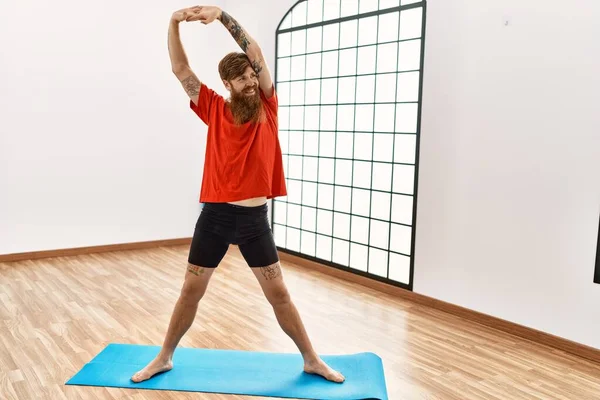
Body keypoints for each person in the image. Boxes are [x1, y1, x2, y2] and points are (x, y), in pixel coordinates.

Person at [130, 5, 345, 384]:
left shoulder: (268, 105)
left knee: (279, 295)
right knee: (190, 291)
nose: (250, 81)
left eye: (251, 75)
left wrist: (223, 16)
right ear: (227, 84)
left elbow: (257, 53)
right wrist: (173, 23)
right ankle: (164, 356)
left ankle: (311, 358)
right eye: (242, 78)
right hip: (214, 217)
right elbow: (181, 71)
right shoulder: (213, 108)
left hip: (253, 221)